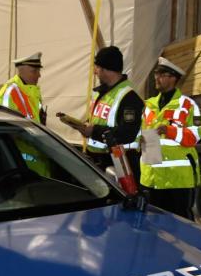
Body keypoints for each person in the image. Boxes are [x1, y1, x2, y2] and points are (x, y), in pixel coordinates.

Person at [58, 46, 144, 181]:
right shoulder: (102, 93)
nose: (95, 73)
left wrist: (93, 131)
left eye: (96, 68)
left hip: (121, 165)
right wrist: (83, 127)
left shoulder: (129, 97)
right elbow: (100, 121)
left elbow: (127, 133)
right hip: (101, 162)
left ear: (105, 69)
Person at [139, 57, 201, 219]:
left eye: (161, 74)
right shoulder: (148, 105)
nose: (156, 77)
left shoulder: (187, 105)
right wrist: (138, 140)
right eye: (156, 73)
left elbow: (196, 135)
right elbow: (139, 133)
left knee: (180, 223)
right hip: (152, 177)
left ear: (173, 78)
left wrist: (169, 131)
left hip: (178, 180)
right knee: (152, 224)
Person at [0, 52, 47, 125]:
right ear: (22, 71)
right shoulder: (9, 92)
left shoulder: (33, 91)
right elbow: (3, 125)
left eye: (39, 71)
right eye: (34, 71)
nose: (39, 75)